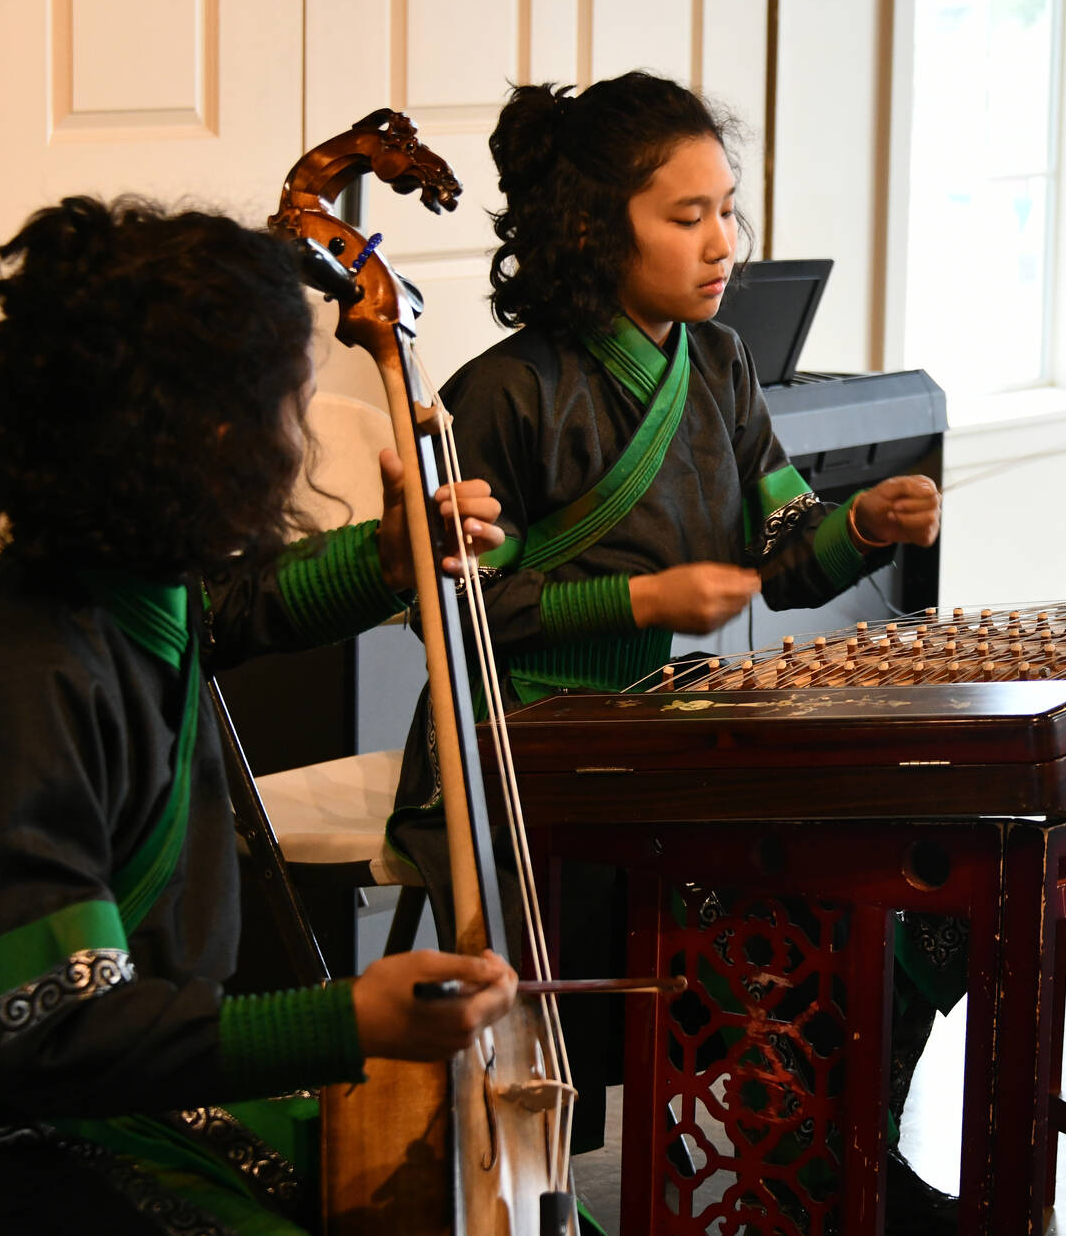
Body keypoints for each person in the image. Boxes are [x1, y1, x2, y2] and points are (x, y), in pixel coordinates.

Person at [387, 72, 954, 1228]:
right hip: (523, 743)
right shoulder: (503, 393)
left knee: (891, 867)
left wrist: (860, 524)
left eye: (726, 210)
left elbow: (781, 546)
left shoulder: (720, 364)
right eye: (687, 216)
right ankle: (703, 1169)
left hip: (667, 728)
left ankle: (835, 1152)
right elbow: (457, 606)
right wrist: (640, 598)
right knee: (734, 894)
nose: (723, 243)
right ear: (593, 230)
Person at [0, 196, 517, 1234]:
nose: (299, 444)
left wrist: (385, 557)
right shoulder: (21, 684)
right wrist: (347, 1018)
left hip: (101, 1088)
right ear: (206, 438)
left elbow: (232, 610)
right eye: (287, 409)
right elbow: (53, 1032)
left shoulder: (123, 588)